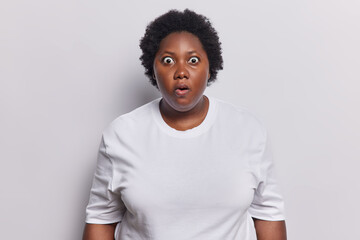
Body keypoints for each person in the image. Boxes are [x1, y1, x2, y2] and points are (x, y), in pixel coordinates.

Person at [83, 9, 287, 240]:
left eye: (193, 60)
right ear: (153, 68)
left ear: (210, 67)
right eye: (168, 60)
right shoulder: (121, 135)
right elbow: (101, 219)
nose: (181, 72)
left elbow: (269, 214)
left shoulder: (248, 130)